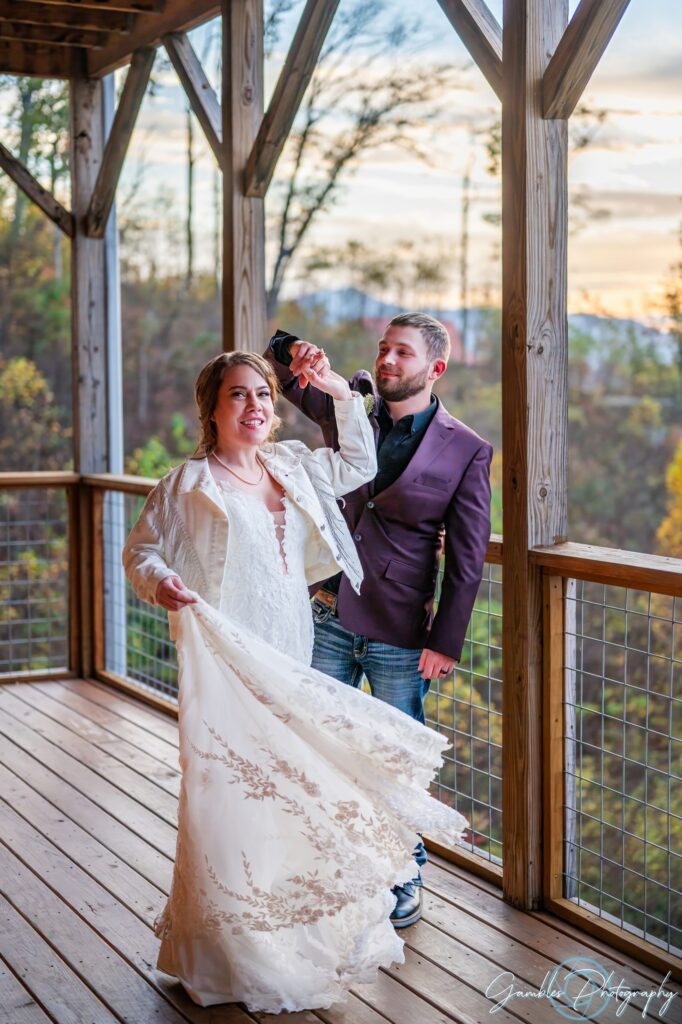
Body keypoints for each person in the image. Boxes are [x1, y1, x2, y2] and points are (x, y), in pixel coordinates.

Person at [123, 350, 467, 1013]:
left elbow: (359, 464)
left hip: (290, 647)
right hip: (228, 659)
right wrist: (161, 581)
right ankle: (229, 953)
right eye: (237, 395)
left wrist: (338, 390)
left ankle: (290, 936)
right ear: (211, 408)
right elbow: (144, 551)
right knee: (231, 796)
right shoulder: (188, 483)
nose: (254, 406)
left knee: (293, 794)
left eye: (263, 394)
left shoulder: (293, 467)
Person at [265, 312, 493, 927]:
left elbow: (468, 558)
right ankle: (326, 866)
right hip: (328, 611)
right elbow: (292, 378)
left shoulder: (468, 450)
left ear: (434, 369)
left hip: (399, 629)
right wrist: (293, 347)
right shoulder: (352, 408)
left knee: (395, 759)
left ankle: (403, 876)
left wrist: (446, 640)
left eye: (404, 354)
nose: (389, 361)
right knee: (316, 743)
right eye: (384, 349)